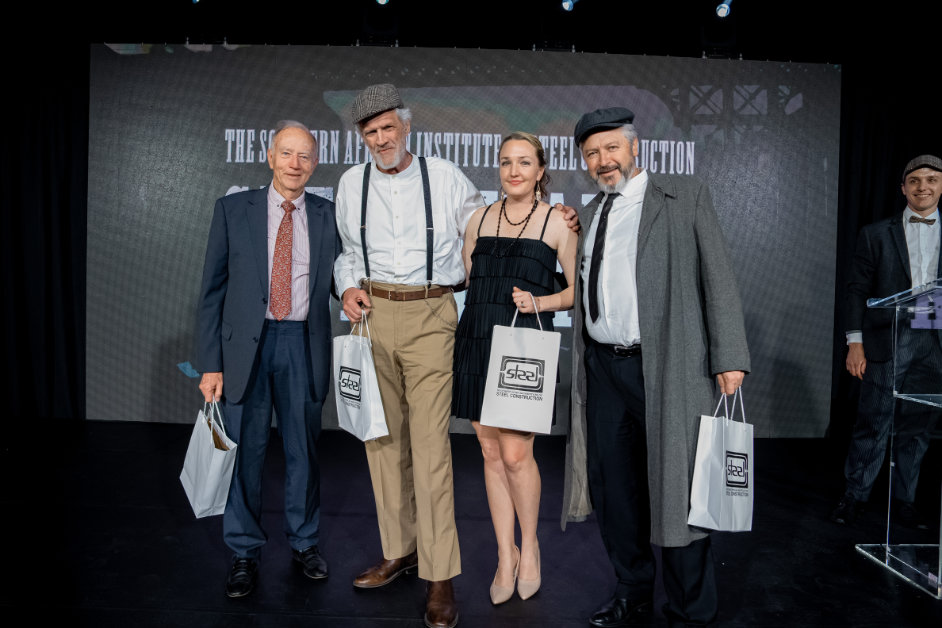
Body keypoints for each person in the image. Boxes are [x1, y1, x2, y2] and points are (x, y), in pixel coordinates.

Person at [564, 107, 750, 627]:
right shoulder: (591, 211)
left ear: (634, 147)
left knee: (679, 486)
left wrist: (730, 357)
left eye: (611, 148)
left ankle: (690, 608)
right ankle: (633, 591)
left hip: (667, 364)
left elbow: (718, 277)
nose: (603, 160)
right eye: (592, 154)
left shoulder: (683, 196)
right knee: (615, 489)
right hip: (604, 368)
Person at [333, 83, 483, 628]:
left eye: (387, 128)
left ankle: (440, 574)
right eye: (370, 132)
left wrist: (549, 213)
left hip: (430, 314)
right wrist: (347, 286)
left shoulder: (444, 177)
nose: (380, 139)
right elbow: (348, 254)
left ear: (406, 127)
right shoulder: (351, 183)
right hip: (373, 315)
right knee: (382, 441)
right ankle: (400, 550)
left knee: (430, 449)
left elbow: (483, 230)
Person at [195, 121, 337, 598]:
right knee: (245, 454)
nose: (295, 164)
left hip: (303, 344)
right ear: (270, 157)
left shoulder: (328, 214)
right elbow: (212, 291)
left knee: (304, 453)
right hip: (245, 350)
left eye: (305, 156)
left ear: (314, 164)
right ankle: (244, 552)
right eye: (287, 154)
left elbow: (342, 275)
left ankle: (305, 542)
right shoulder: (234, 209)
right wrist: (210, 364)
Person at [451, 132, 578, 605]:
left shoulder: (558, 222)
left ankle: (531, 547)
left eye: (525, 162)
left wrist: (540, 302)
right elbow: (470, 279)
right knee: (489, 452)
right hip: (477, 341)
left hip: (523, 347)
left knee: (517, 455)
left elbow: (577, 292)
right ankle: (506, 555)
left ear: (541, 170)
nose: (514, 171)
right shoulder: (479, 219)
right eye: (506, 162)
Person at [831, 154, 942, 528]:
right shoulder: (876, 233)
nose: (923, 187)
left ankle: (905, 499)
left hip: (934, 335)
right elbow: (856, 290)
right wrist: (855, 342)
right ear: (903, 189)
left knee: (919, 425)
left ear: (941, 186)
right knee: (873, 420)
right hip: (887, 336)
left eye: (931, 180)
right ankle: (855, 495)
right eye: (915, 181)